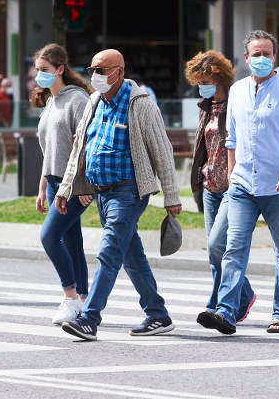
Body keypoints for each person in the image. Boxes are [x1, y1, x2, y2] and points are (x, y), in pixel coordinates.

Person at [55, 49, 182, 341]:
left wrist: (171, 196)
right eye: (93, 69)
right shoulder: (94, 102)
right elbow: (80, 149)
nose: (95, 76)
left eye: (101, 70)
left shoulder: (141, 105)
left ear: (120, 72)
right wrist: (66, 187)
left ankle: (89, 318)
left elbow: (162, 152)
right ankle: (158, 314)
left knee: (109, 251)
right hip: (101, 192)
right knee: (130, 254)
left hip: (129, 191)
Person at [198, 30, 279, 335]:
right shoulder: (237, 91)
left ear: (275, 57)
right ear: (246, 57)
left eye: (267, 53)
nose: (262, 58)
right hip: (242, 187)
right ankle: (226, 313)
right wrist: (234, 172)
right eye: (256, 54)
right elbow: (231, 137)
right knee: (229, 249)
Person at [185, 51, 257, 326]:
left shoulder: (236, 104)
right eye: (198, 80)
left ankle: (242, 294)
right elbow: (202, 147)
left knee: (219, 246)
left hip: (231, 185)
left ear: (221, 77)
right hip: (208, 186)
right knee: (214, 253)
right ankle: (221, 302)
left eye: (206, 80)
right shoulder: (205, 106)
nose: (202, 85)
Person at [32, 43, 93, 325]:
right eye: (37, 71)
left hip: (73, 183)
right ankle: (82, 299)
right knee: (72, 242)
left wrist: (83, 184)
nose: (39, 76)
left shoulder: (77, 99)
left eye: (44, 70)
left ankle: (69, 297)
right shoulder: (50, 102)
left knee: (49, 237)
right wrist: (43, 187)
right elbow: (50, 149)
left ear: (59, 69)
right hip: (55, 181)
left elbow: (86, 145)